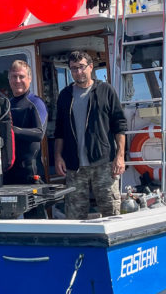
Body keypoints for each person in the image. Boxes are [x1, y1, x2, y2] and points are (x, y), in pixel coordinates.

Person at [54, 51, 127, 219]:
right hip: (75, 167)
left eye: (81, 67)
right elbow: (59, 130)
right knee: (74, 215)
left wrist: (120, 156)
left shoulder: (105, 90)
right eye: (73, 69)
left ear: (91, 67)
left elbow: (119, 125)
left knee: (112, 212)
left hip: (103, 164)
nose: (78, 72)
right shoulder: (65, 96)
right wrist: (58, 156)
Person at [5, 60, 48, 184]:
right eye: (14, 76)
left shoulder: (35, 103)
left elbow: (39, 133)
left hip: (30, 172)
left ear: (29, 79)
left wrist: (12, 130)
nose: (17, 80)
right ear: (9, 79)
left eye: (21, 76)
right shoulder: (7, 105)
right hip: (8, 172)